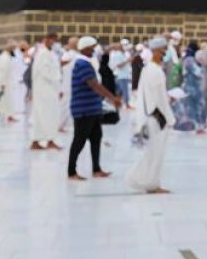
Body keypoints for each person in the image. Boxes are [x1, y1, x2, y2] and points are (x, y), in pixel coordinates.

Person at [67, 36, 121, 181]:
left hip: (92, 108)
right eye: (92, 47)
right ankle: (71, 171)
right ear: (85, 48)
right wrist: (112, 97)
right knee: (79, 140)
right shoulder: (82, 64)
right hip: (83, 109)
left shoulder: (87, 63)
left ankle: (96, 169)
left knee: (96, 138)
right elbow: (94, 85)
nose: (94, 50)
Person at [126, 37, 174, 194]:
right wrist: (167, 117)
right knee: (155, 152)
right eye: (163, 51)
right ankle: (147, 182)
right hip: (156, 117)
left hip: (155, 115)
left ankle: (149, 182)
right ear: (156, 51)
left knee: (155, 152)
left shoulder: (151, 69)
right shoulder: (153, 70)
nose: (164, 54)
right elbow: (156, 99)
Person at [29, 33, 63, 150]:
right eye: (54, 40)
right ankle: (47, 140)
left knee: (47, 115)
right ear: (47, 40)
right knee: (44, 115)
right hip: (44, 90)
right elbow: (45, 71)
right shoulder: (42, 54)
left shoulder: (50, 54)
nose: (55, 43)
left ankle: (42, 140)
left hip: (50, 89)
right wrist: (57, 79)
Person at [174, 43, 206, 133]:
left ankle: (194, 126)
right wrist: (203, 66)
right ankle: (199, 127)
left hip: (189, 86)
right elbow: (198, 73)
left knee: (190, 107)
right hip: (193, 87)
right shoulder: (190, 60)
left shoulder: (186, 60)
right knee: (198, 106)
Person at [109, 40, 133, 105]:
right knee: (124, 90)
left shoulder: (121, 54)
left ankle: (119, 102)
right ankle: (127, 104)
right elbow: (119, 65)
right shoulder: (117, 54)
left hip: (122, 74)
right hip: (121, 75)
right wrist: (127, 61)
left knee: (119, 90)